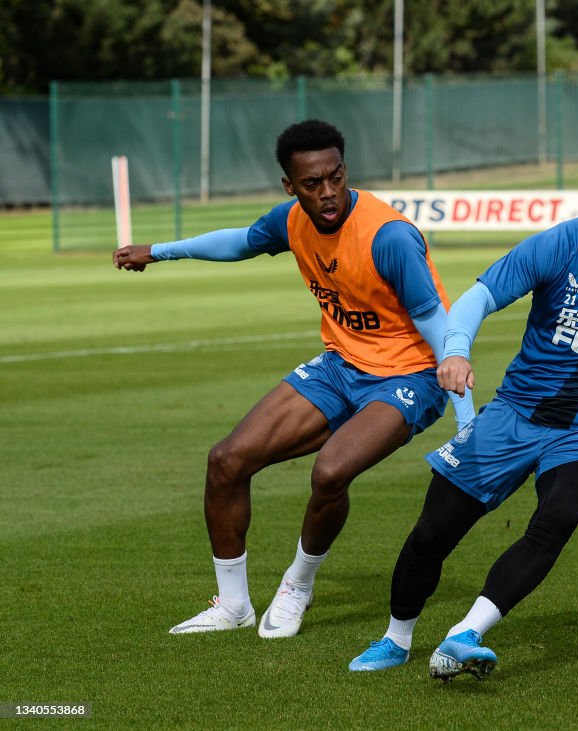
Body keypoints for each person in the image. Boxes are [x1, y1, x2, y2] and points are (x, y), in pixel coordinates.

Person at [348, 143, 578, 679]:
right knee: (433, 532)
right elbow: (478, 298)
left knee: (559, 515)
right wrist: (454, 350)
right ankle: (395, 639)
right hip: (514, 414)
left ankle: (465, 633)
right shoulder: (563, 246)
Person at [113, 119, 474, 637]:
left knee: (330, 473)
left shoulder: (389, 237)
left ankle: (297, 586)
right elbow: (240, 241)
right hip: (340, 364)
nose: (327, 193)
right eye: (311, 184)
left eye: (335, 177)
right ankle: (233, 606)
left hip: (410, 376)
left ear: (345, 170)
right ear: (290, 186)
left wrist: (467, 422)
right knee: (226, 461)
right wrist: (161, 250)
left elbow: (441, 331)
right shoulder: (291, 221)